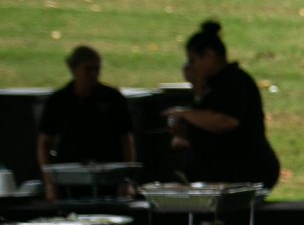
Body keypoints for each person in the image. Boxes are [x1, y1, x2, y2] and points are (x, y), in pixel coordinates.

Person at [163, 21, 280, 189]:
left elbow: (225, 120)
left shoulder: (234, 82)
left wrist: (185, 113)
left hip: (244, 169)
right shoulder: (210, 85)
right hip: (218, 171)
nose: (192, 66)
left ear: (209, 54)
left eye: (193, 60)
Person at [37, 45, 134, 200]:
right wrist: (50, 183)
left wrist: (125, 179)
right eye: (88, 69)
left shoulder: (112, 98)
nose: (93, 74)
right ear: (73, 69)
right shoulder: (59, 101)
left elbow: (126, 140)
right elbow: (44, 144)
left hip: (107, 178)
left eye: (96, 69)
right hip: (69, 179)